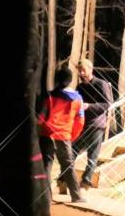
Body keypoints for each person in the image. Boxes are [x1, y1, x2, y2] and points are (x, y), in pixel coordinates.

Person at [37, 64, 85, 203]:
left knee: (46, 166)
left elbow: (41, 118)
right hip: (64, 136)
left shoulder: (49, 96)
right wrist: (72, 135)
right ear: (70, 80)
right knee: (68, 166)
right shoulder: (77, 98)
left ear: (57, 79)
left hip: (47, 135)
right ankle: (76, 196)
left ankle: (46, 197)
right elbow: (80, 120)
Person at [74, 58, 114, 189]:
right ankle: (64, 178)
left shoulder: (101, 84)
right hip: (81, 124)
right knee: (72, 151)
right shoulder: (80, 86)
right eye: (79, 71)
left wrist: (89, 106)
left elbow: (107, 104)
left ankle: (86, 181)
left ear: (90, 69)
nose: (81, 73)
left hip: (96, 124)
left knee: (92, 156)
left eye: (83, 70)